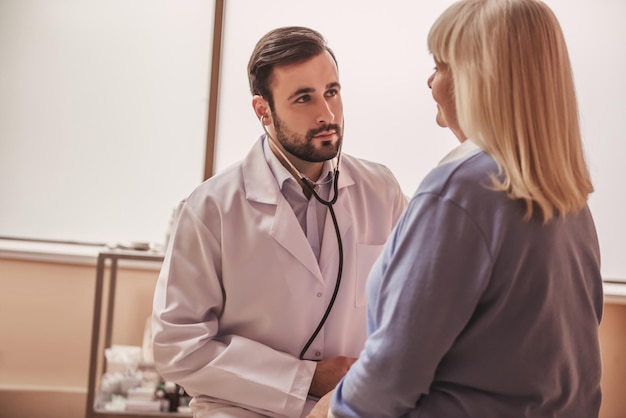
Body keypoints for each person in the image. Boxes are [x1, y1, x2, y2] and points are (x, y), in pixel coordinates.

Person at [308, 0, 603, 417]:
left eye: (441, 65)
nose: (431, 82)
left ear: (478, 77)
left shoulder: (460, 190)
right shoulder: (566, 196)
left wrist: (330, 410)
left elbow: (391, 375)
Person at [151, 26, 408, 418]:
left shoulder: (382, 192)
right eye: (303, 98)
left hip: (351, 409)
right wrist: (306, 379)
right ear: (263, 111)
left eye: (332, 92)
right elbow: (177, 346)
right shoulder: (211, 210)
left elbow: (411, 307)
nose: (326, 113)